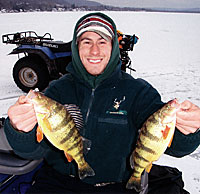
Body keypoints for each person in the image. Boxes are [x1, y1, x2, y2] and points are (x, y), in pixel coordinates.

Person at [4, 12, 200, 193]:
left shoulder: (139, 92)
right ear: (76, 47)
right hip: (58, 182)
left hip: (117, 187)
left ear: (114, 47)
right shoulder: (57, 90)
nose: (94, 50)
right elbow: (31, 149)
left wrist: (188, 130)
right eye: (86, 42)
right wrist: (19, 130)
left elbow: (174, 146)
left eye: (102, 41)